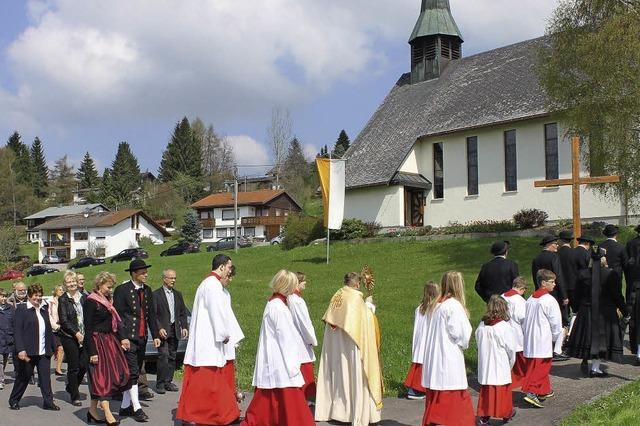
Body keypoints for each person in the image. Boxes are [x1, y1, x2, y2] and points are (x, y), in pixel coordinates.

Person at [241, 270, 315, 426]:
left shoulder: (274, 303)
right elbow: (286, 339)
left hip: (275, 359)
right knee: (292, 404)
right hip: (281, 361)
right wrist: (294, 364)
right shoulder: (279, 308)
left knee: (268, 400)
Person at [177, 254, 244, 426]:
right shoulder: (213, 286)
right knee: (209, 383)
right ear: (221, 267)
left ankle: (217, 414)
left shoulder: (211, 284)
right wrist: (224, 334)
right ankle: (207, 416)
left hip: (210, 339)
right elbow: (217, 313)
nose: (230, 271)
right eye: (229, 267)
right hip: (210, 341)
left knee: (211, 384)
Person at [315, 272, 383, 425]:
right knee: (354, 376)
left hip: (338, 347)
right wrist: (370, 306)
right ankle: (356, 412)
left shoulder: (337, 295)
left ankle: (338, 411)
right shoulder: (355, 299)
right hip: (352, 348)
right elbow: (364, 323)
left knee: (340, 377)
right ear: (357, 285)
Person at [421, 271, 474, 426]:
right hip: (447, 357)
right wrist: (465, 340)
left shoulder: (436, 305)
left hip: (435, 358)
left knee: (438, 397)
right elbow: (461, 333)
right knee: (453, 397)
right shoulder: (453, 306)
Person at [113, 259, 160, 423]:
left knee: (134, 371)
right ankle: (136, 407)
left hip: (142, 338)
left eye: (146, 271)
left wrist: (155, 335)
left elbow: (151, 316)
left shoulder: (147, 290)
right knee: (133, 372)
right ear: (134, 274)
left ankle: (125, 406)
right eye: (142, 272)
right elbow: (117, 317)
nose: (145, 274)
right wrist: (123, 337)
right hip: (128, 339)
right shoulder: (122, 290)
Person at [566, 251, 626, 377]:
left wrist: (576, 308)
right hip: (605, 312)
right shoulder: (611, 274)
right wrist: (624, 310)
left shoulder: (583, 273)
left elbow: (576, 294)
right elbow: (617, 295)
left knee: (589, 339)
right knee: (600, 340)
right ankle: (595, 368)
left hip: (587, 310)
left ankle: (593, 365)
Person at [84, 271, 131, 426]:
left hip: (109, 342)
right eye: (108, 286)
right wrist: (92, 352)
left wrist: (122, 338)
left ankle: (92, 410)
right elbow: (88, 328)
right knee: (101, 379)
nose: (110, 290)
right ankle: (108, 413)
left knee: (112, 376)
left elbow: (117, 323)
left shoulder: (108, 300)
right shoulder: (91, 301)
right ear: (99, 284)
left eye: (112, 287)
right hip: (97, 342)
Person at [9, 283, 59, 411]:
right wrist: (20, 349)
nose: (38, 299)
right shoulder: (22, 309)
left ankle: (48, 402)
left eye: (40, 296)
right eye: (35, 296)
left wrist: (54, 346)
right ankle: (14, 400)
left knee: (45, 378)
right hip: (27, 351)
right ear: (30, 296)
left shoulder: (43, 308)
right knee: (23, 377)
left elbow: (48, 329)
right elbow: (18, 331)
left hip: (43, 351)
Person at [521, 269, 563, 409]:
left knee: (534, 365)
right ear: (543, 283)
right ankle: (532, 391)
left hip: (530, 337)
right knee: (542, 367)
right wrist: (557, 336)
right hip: (542, 337)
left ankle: (543, 390)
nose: (554, 284)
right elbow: (555, 321)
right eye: (552, 282)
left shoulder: (531, 299)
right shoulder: (549, 300)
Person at [476, 295, 517, 426]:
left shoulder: (481, 325)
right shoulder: (504, 327)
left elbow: (478, 344)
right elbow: (511, 349)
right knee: (502, 391)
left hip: (485, 364)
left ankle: (484, 417)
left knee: (486, 394)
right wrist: (510, 364)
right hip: (500, 364)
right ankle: (506, 413)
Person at [531, 235, 570, 358]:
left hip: (540, 291)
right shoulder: (554, 257)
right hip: (555, 293)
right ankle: (557, 349)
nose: (557, 246)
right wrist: (564, 295)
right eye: (555, 244)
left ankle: (548, 346)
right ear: (549, 245)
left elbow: (534, 276)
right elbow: (558, 276)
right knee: (559, 320)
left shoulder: (536, 258)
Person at [153, 269, 188, 394]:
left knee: (172, 356)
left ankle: (168, 381)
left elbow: (183, 313)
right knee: (163, 356)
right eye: (171, 278)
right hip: (163, 330)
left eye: (175, 278)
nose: (173, 280)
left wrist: (184, 327)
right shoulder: (156, 294)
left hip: (174, 329)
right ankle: (160, 383)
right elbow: (153, 315)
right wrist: (159, 328)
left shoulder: (178, 294)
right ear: (164, 278)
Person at [403, 281, 439, 400]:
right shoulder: (436, 309)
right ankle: (418, 389)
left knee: (420, 364)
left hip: (420, 341)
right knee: (423, 367)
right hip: (428, 342)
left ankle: (416, 389)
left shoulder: (419, 308)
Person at [58, 270, 88, 405]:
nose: (71, 284)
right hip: (69, 336)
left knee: (84, 365)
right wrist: (76, 333)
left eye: (73, 281)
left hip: (85, 336)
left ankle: (71, 386)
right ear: (65, 284)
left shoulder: (84, 297)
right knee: (74, 366)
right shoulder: (63, 299)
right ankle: (74, 395)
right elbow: (64, 321)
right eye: (68, 282)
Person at [287, 271, 318, 401]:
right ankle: (306, 398)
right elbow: (304, 322)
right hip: (301, 340)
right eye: (304, 281)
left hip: (295, 339)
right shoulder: (297, 301)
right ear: (297, 283)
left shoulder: (290, 298)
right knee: (304, 369)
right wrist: (312, 339)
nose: (306, 283)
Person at [501, 276, 528, 388]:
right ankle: (520, 380)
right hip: (516, 332)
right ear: (522, 288)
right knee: (521, 360)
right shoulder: (519, 300)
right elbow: (523, 318)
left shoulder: (502, 296)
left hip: (503, 331)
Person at [626, 225, 640, 361]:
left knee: (634, 315)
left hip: (633, 283)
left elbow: (628, 264)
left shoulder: (631, 243)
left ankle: (636, 347)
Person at [557, 230, 578, 313]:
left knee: (564, 312)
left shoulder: (556, 254)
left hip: (561, 286)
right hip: (574, 285)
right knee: (576, 311)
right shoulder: (575, 253)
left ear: (561, 240)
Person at [0, 288, 15, 391]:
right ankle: (1, 380)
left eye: (5, 296)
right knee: (0, 361)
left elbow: (14, 323)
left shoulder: (10, 308)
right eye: (2, 296)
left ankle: (1, 375)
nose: (4, 298)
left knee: (4, 359)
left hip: (8, 338)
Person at [49, 284, 65, 376]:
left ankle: (58, 368)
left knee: (61, 348)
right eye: (60, 290)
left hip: (62, 328)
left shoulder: (63, 301)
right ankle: (44, 366)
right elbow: (49, 315)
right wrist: (55, 326)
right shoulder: (50, 302)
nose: (62, 291)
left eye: (63, 290)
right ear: (55, 291)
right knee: (51, 350)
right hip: (53, 329)